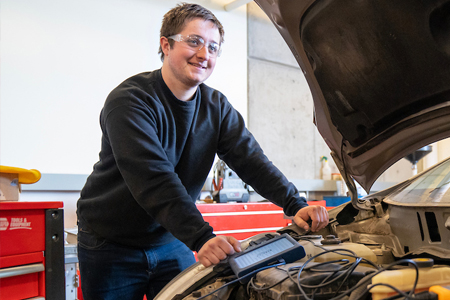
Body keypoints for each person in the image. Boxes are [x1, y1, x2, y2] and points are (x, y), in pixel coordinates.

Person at [76, 3, 329, 300]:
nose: (203, 54)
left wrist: (294, 204)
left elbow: (252, 161)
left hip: (170, 239)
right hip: (111, 242)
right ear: (166, 45)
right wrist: (202, 237)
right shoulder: (129, 102)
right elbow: (152, 177)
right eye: (193, 41)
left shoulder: (216, 108)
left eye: (213, 47)